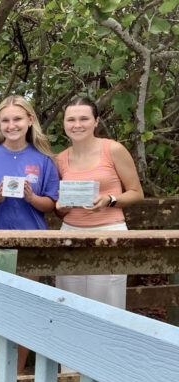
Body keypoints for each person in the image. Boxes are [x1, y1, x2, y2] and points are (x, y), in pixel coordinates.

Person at [0, 95, 59, 374]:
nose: (11, 125)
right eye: (5, 120)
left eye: (18, 119)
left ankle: (16, 374)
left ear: (30, 120)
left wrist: (32, 197)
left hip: (29, 241)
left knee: (23, 310)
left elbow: (52, 204)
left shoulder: (43, 159)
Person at [55, 97, 143, 308]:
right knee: (69, 301)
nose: (77, 125)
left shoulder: (113, 150)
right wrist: (61, 208)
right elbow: (58, 207)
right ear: (64, 124)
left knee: (108, 301)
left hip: (109, 232)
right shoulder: (60, 159)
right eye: (71, 120)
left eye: (84, 119)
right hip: (70, 234)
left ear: (96, 121)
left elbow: (136, 193)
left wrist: (110, 200)